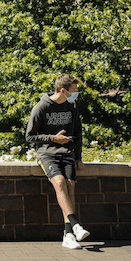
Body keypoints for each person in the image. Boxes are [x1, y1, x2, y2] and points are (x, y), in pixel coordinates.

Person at [26, 73, 90, 250]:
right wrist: (53, 138)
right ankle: (75, 225)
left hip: (67, 154)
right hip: (47, 154)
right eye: (74, 91)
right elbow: (29, 136)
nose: (76, 93)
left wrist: (78, 157)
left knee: (70, 186)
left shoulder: (72, 107)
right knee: (59, 183)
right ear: (63, 91)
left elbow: (78, 132)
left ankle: (68, 235)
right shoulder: (41, 107)